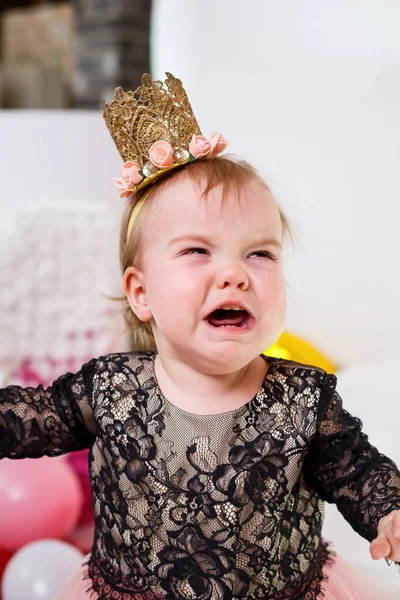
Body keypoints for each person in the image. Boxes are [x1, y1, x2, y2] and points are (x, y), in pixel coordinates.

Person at [1, 73, 400, 600]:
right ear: (141, 294)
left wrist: (389, 510)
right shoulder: (111, 390)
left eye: (259, 253)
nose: (236, 273)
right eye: (197, 251)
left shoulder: (302, 401)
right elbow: (33, 418)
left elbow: (355, 468)